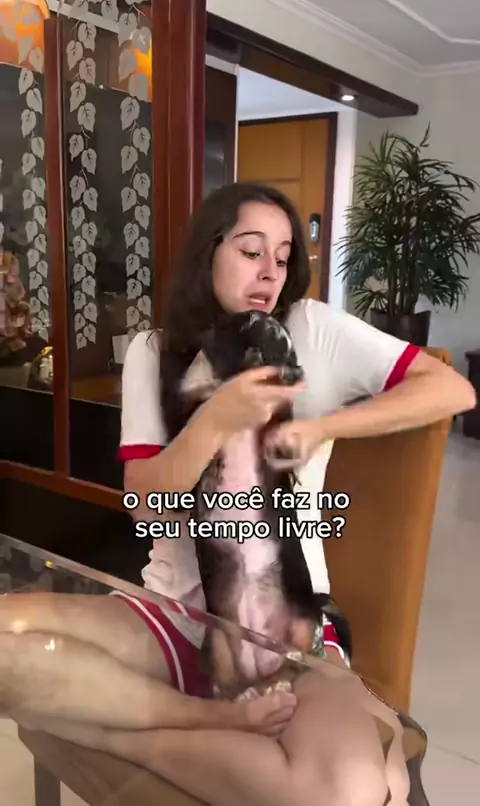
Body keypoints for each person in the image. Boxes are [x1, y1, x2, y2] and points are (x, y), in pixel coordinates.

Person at [0, 182, 475, 806]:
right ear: (208, 253)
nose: (270, 271)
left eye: (282, 256)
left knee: (348, 790)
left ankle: (124, 734)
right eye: (251, 252)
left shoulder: (312, 330)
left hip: (288, 632)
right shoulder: (152, 351)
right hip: (172, 617)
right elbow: (144, 502)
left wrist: (321, 428)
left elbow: (451, 390)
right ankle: (201, 719)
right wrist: (215, 419)